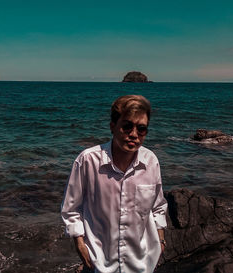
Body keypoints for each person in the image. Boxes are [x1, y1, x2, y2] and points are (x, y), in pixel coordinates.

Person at [61, 95, 168, 273]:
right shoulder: (87, 161)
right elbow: (71, 208)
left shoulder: (151, 161)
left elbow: (158, 206)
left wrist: (161, 240)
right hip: (99, 263)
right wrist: (79, 243)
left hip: (141, 264)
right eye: (127, 126)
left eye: (141, 129)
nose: (134, 134)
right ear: (113, 127)